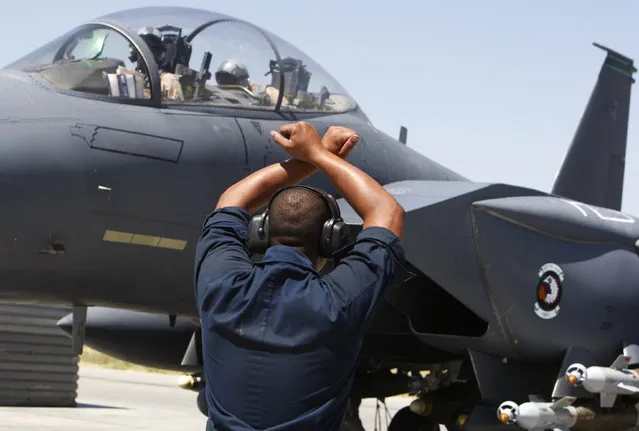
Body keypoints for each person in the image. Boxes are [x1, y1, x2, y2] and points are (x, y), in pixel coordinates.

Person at [194, 122, 407, 431]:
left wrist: (309, 158)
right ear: (329, 239)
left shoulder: (219, 284)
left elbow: (233, 200)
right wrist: (320, 155)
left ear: (262, 230)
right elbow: (387, 213)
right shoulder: (338, 304)